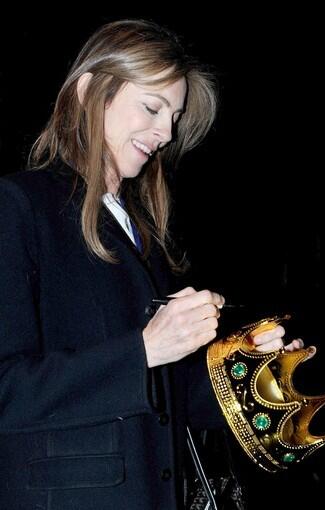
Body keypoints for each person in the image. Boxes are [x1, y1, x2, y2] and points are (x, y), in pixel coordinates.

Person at [0, 19, 309, 510]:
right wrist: (144, 348)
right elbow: (8, 389)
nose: (165, 133)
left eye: (174, 116)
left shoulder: (137, 230)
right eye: (152, 107)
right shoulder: (18, 206)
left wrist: (248, 366)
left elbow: (169, 397)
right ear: (89, 92)